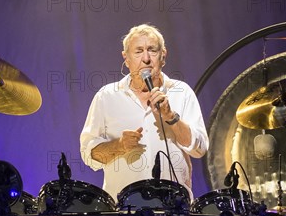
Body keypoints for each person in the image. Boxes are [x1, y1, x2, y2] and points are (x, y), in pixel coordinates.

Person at [80, 24, 209, 201]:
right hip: (124, 212)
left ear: (163, 56)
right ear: (126, 58)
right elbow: (89, 155)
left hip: (174, 210)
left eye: (152, 51)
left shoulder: (182, 92)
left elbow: (199, 149)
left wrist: (171, 117)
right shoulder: (107, 97)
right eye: (138, 51)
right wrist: (119, 145)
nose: (146, 58)